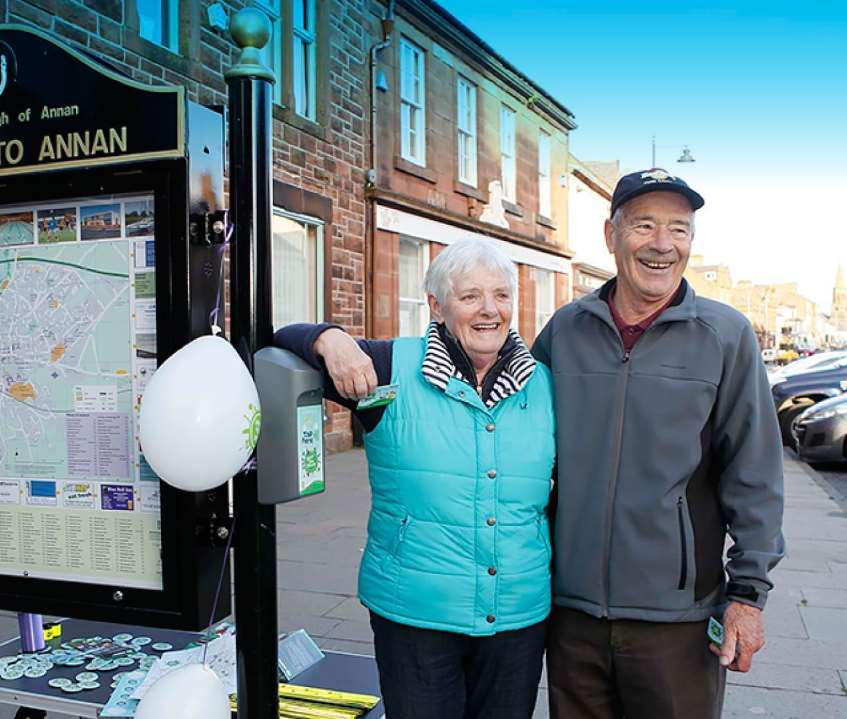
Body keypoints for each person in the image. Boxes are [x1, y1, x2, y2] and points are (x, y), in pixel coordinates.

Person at [532, 169, 786, 719]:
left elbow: (756, 473)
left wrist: (747, 595)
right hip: (570, 614)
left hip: (678, 619)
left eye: (680, 228)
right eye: (644, 225)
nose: (662, 244)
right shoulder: (564, 330)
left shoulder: (726, 336)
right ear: (610, 235)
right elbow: (511, 441)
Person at [273, 238, 555, 719]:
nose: (490, 310)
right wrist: (330, 338)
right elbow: (281, 340)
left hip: (518, 617)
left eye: (501, 295)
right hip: (416, 616)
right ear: (436, 306)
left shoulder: (548, 383)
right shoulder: (387, 368)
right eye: (470, 297)